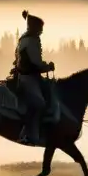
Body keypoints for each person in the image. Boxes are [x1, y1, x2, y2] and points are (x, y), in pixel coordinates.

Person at [11, 10, 55, 145]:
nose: (41, 31)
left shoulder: (24, 39)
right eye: (40, 28)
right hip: (28, 78)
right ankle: (27, 135)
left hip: (27, 76)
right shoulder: (31, 41)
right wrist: (48, 67)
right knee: (38, 104)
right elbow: (35, 61)